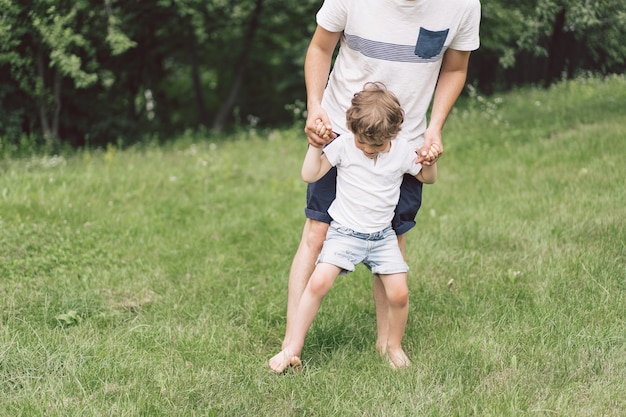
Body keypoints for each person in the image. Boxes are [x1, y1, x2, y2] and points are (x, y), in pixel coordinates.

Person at [281, 0, 481, 358]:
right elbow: (320, 46)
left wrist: (434, 128)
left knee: (393, 238)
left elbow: (455, 69)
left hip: (405, 142)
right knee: (317, 232)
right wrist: (316, 107)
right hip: (343, 132)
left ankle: (389, 346)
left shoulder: (462, 5)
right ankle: (291, 345)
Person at [269, 82, 439, 372]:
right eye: (363, 142)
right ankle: (292, 348)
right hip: (344, 234)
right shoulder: (345, 146)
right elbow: (310, 174)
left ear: (393, 134)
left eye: (377, 145)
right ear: (352, 129)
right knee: (319, 281)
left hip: (383, 237)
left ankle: (394, 347)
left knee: (399, 293)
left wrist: (431, 161)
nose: (368, 150)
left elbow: (427, 177)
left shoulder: (400, 151)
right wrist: (315, 147)